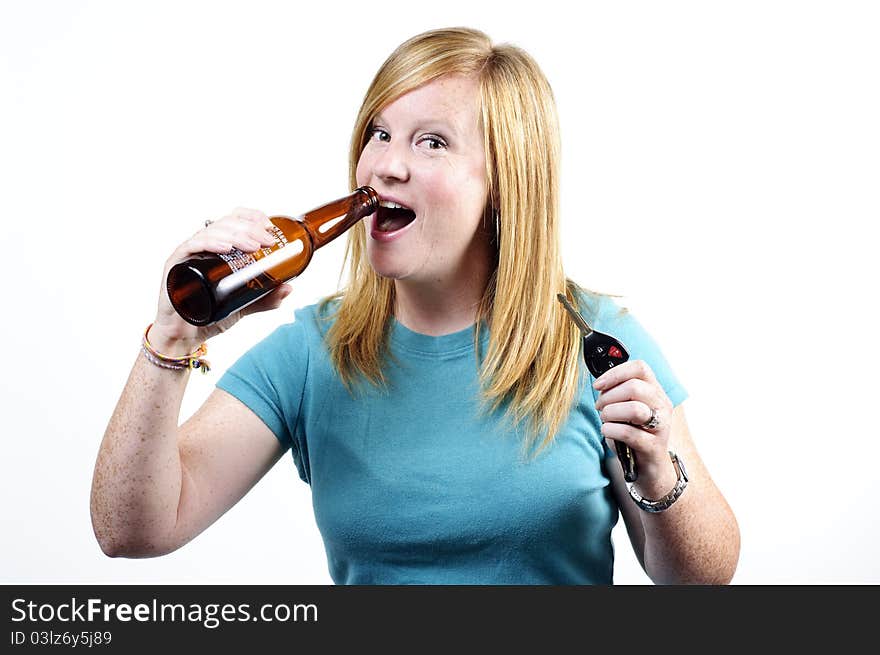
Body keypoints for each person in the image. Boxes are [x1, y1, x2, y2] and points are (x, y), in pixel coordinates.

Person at [90, 27, 739, 584]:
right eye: (379, 133)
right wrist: (172, 336)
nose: (384, 166)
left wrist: (659, 477)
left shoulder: (592, 339)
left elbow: (702, 578)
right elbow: (133, 527)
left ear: (507, 184)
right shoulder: (312, 352)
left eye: (432, 142)